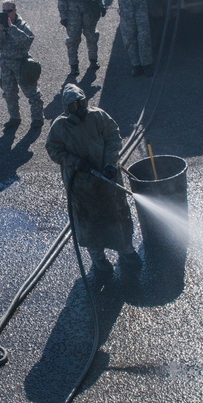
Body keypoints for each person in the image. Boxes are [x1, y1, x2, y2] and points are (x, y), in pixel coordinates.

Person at [45, 84, 140, 278]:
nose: (79, 109)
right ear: (66, 108)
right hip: (81, 186)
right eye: (74, 106)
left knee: (118, 215)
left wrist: (110, 164)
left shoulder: (98, 117)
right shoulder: (60, 127)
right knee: (89, 223)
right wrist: (74, 162)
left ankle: (126, 251)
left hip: (108, 178)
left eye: (82, 103)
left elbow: (113, 138)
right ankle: (98, 259)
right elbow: (54, 150)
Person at [0, 0, 44, 125]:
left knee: (32, 93)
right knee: (9, 93)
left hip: (21, 64)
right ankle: (14, 118)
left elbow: (27, 41)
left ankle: (37, 118)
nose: (7, 13)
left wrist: (12, 28)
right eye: (4, 11)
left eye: (9, 10)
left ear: (15, 10)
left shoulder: (22, 26)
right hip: (6, 65)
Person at [53, 0, 106, 77]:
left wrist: (100, 4)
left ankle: (93, 60)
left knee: (92, 36)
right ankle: (74, 66)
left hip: (87, 10)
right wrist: (64, 17)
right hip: (72, 14)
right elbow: (61, 0)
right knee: (73, 40)